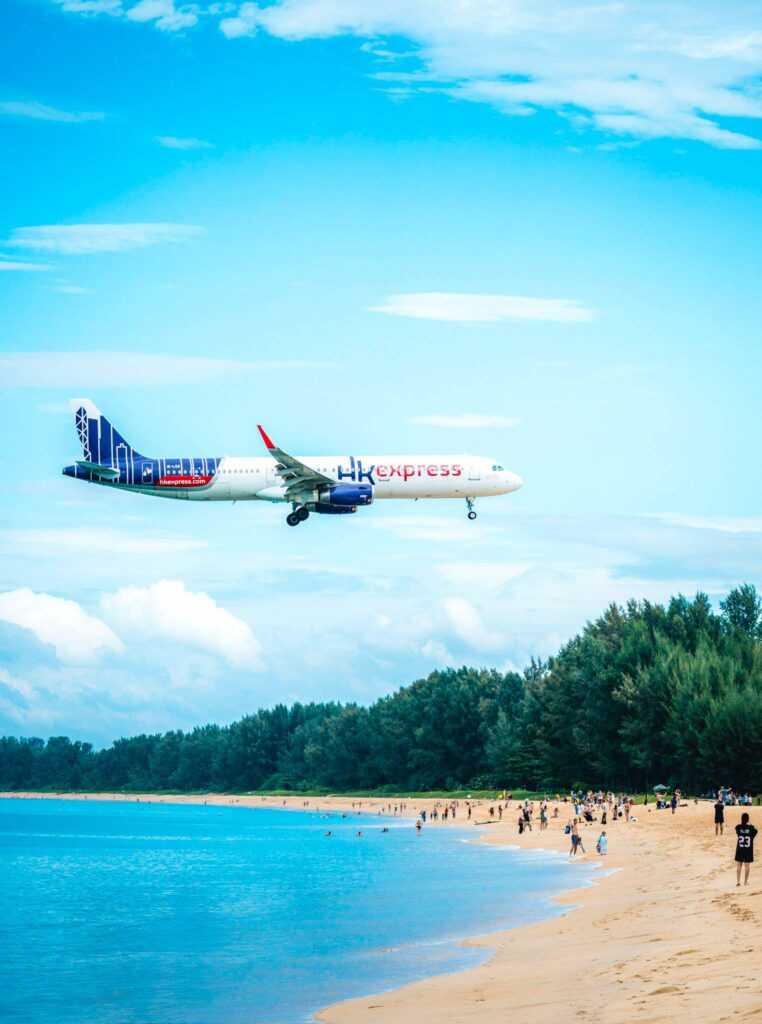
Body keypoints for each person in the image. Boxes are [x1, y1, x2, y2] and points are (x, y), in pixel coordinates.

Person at [735, 812, 757, 886]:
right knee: (747, 866)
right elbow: (755, 831)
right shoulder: (751, 828)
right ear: (748, 819)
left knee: (739, 865)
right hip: (748, 850)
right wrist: (750, 825)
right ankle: (745, 881)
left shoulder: (738, 827)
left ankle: (738, 881)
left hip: (740, 849)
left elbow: (737, 829)